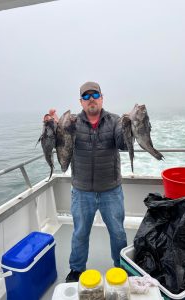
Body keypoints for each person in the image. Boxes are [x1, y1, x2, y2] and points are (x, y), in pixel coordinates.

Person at [51, 81, 128, 282]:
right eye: (86, 96)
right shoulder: (72, 123)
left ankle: (121, 266)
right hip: (81, 190)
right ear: (81, 102)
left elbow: (123, 144)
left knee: (118, 232)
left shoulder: (115, 121)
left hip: (111, 190)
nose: (91, 99)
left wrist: (130, 126)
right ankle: (77, 269)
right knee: (80, 233)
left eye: (95, 95)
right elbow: (60, 146)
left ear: (102, 98)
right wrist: (54, 126)